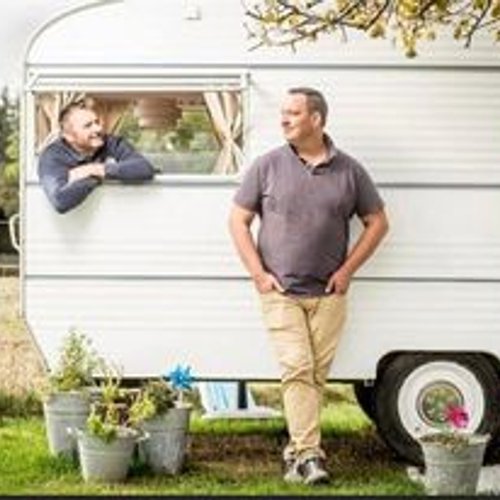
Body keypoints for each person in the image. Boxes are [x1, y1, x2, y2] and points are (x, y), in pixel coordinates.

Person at [229, 87, 389, 485]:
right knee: (298, 370)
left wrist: (348, 270)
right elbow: (237, 220)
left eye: (293, 113)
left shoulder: (349, 171)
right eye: (283, 112)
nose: (284, 119)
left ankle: (295, 455)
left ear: (316, 119)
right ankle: (311, 456)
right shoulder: (267, 166)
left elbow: (378, 222)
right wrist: (258, 275)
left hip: (330, 295)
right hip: (281, 293)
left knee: (314, 377)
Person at [38, 100, 155, 213]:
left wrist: (94, 169)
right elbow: (61, 201)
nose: (98, 129)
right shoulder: (52, 156)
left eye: (97, 122)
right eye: (88, 126)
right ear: (69, 136)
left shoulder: (111, 142)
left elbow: (145, 168)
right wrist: (96, 176)